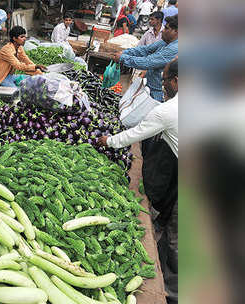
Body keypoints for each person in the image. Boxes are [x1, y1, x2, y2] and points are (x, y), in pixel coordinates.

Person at [97, 58, 178, 304]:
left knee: (179, 236)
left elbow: (135, 132)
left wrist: (108, 141)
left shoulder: (168, 110)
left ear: (177, 80)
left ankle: (173, 292)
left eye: (164, 80)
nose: (163, 85)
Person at [112, 14, 178, 101]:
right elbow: (145, 49)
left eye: (166, 28)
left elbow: (148, 62)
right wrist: (124, 52)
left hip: (159, 93)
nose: (163, 31)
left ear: (176, 31)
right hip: (150, 87)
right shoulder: (165, 42)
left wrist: (123, 58)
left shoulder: (175, 48)